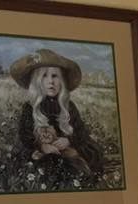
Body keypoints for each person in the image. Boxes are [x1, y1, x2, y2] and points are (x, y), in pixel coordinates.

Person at [9, 49, 104, 182]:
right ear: (37, 81)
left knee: (86, 156)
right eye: (44, 76)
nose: (50, 82)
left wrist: (69, 140)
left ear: (62, 81)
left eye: (55, 76)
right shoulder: (30, 107)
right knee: (40, 163)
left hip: (66, 149)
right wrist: (42, 146)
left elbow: (80, 130)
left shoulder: (68, 106)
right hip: (43, 150)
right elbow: (25, 134)